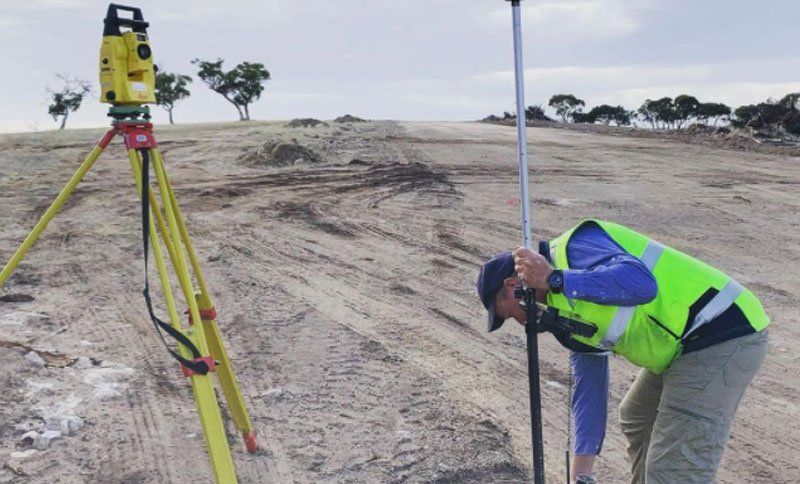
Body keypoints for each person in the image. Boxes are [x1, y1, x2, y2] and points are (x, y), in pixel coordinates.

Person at [476, 219, 769, 484]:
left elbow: (641, 283)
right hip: (684, 347)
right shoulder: (561, 313)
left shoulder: (576, 247)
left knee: (672, 470)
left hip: (721, 330)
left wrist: (556, 280)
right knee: (636, 416)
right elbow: (589, 389)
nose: (522, 322)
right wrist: (582, 475)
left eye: (512, 313)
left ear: (514, 285)